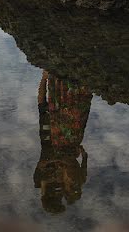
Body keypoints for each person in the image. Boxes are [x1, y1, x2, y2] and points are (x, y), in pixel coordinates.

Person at [32, 71, 92, 214]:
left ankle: (61, 75)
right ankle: (76, 76)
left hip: (56, 138)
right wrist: (83, 156)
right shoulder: (70, 185)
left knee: (49, 106)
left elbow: (43, 165)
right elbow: (81, 170)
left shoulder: (42, 180)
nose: (57, 194)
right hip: (67, 138)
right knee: (74, 108)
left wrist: (45, 188)